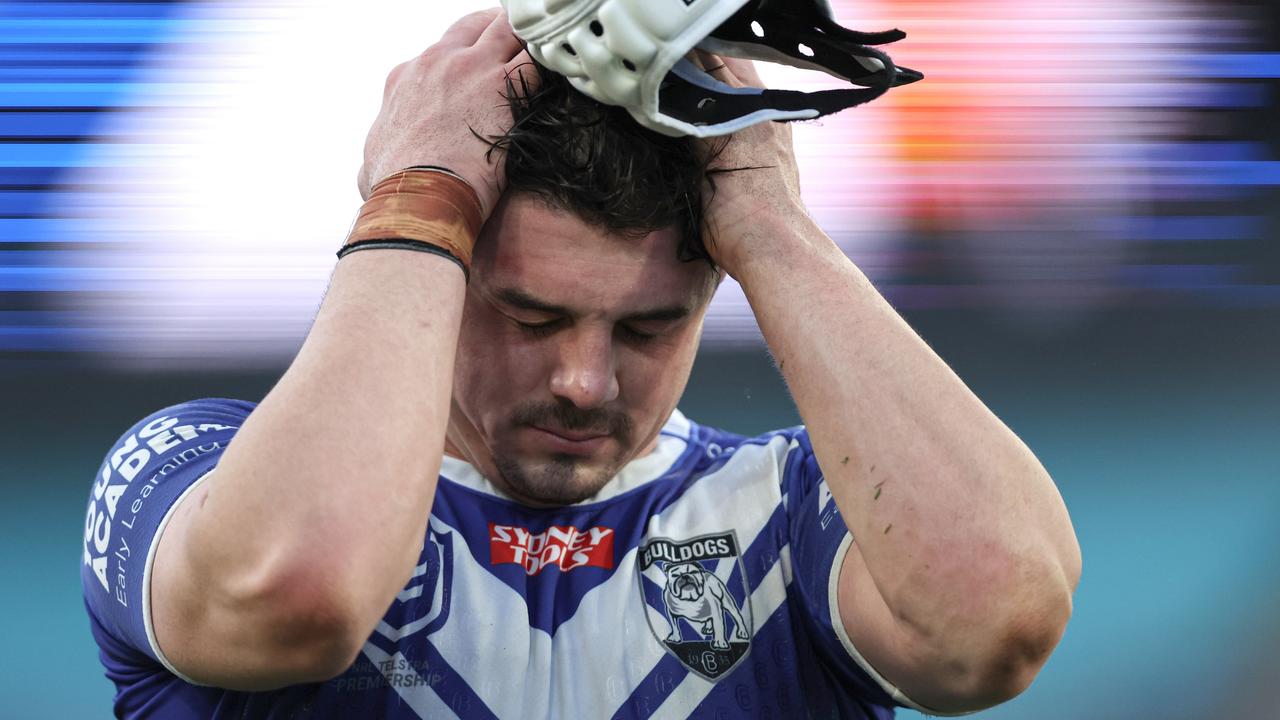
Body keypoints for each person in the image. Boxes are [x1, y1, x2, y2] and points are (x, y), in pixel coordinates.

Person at [80, 9, 1080, 719]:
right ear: (443, 275)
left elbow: (992, 620)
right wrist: (420, 193)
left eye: (646, 329)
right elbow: (292, 594)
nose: (584, 381)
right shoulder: (201, 472)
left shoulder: (791, 514)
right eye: (529, 315)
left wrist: (771, 226)